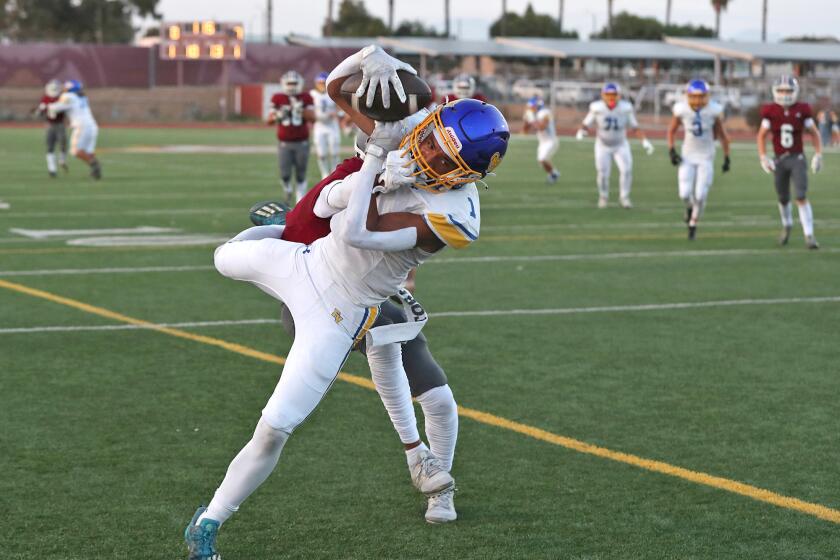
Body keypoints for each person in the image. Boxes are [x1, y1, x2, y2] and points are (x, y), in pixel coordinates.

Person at [184, 44, 509, 560]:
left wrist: (376, 161)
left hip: (342, 306)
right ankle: (279, 228)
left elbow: (357, 232)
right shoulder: (418, 121)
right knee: (224, 257)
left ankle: (209, 521)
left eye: (447, 159)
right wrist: (373, 57)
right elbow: (337, 87)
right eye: (436, 143)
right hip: (309, 260)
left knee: (276, 427)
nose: (431, 156)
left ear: (466, 175)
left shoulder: (454, 217)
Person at [249, 133, 460, 524]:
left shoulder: (404, 189)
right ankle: (420, 460)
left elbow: (405, 242)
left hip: (374, 305)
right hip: (321, 312)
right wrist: (286, 226)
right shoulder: (345, 186)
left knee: (438, 397)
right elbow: (308, 232)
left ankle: (439, 485)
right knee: (388, 365)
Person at [757, 75, 823, 249]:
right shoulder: (770, 111)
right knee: (783, 198)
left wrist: (818, 154)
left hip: (797, 158)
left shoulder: (802, 109)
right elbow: (761, 135)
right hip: (779, 160)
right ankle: (787, 225)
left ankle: (809, 235)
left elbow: (814, 132)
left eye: (788, 91)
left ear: (795, 92)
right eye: (782, 91)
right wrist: (763, 156)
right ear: (775, 92)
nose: (785, 94)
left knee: (800, 196)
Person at [667, 79, 731, 240]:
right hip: (687, 155)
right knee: (684, 193)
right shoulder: (682, 110)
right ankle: (689, 208)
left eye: (701, 97)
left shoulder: (713, 111)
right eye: (694, 97)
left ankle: (693, 223)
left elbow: (722, 135)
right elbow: (671, 131)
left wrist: (726, 157)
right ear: (688, 96)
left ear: (707, 96)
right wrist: (671, 150)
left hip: (706, 157)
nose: (697, 101)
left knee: (701, 195)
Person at [575, 83, 654, 209]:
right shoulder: (597, 108)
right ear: (603, 95)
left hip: (621, 145)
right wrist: (581, 131)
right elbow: (586, 123)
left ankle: (624, 198)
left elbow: (635, 127)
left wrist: (644, 141)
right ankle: (603, 197)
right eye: (608, 95)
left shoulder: (625, 108)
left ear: (619, 96)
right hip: (602, 145)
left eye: (613, 95)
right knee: (602, 173)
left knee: (627, 170)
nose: (611, 98)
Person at [268, 71, 314, 204]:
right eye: (289, 83)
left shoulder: (305, 97)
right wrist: (280, 114)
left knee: (301, 174)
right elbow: (269, 121)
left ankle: (300, 201)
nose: (292, 86)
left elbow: (313, 118)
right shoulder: (278, 98)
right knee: (285, 174)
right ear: (283, 84)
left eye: (294, 83)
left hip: (302, 142)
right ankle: (287, 189)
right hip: (284, 142)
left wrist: (300, 110)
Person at [47, 80, 101, 179]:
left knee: (75, 151)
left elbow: (57, 107)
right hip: (92, 125)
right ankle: (94, 168)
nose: (63, 89)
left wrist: (48, 106)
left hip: (82, 126)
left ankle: (94, 164)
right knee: (88, 151)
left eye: (65, 87)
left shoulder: (69, 96)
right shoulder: (83, 97)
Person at [310, 71, 342, 179]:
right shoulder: (312, 95)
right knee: (322, 154)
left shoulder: (332, 94)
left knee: (334, 152)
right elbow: (308, 110)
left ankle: (334, 173)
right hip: (319, 126)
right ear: (316, 83)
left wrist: (336, 113)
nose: (321, 85)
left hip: (332, 126)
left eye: (323, 83)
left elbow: (342, 109)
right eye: (319, 83)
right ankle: (324, 174)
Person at [523, 96, 559, 184]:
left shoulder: (545, 113)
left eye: (531, 106)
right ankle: (553, 173)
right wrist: (527, 122)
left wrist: (532, 120)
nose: (529, 109)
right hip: (543, 142)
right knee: (541, 161)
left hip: (551, 141)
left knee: (542, 159)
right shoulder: (533, 115)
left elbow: (542, 127)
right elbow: (525, 131)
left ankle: (554, 174)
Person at [35, 79, 68, 178]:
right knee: (50, 147)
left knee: (63, 143)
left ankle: (62, 160)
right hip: (50, 125)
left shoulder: (62, 97)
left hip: (60, 124)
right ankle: (52, 169)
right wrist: (39, 111)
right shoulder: (45, 98)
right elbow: (40, 111)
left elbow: (65, 109)